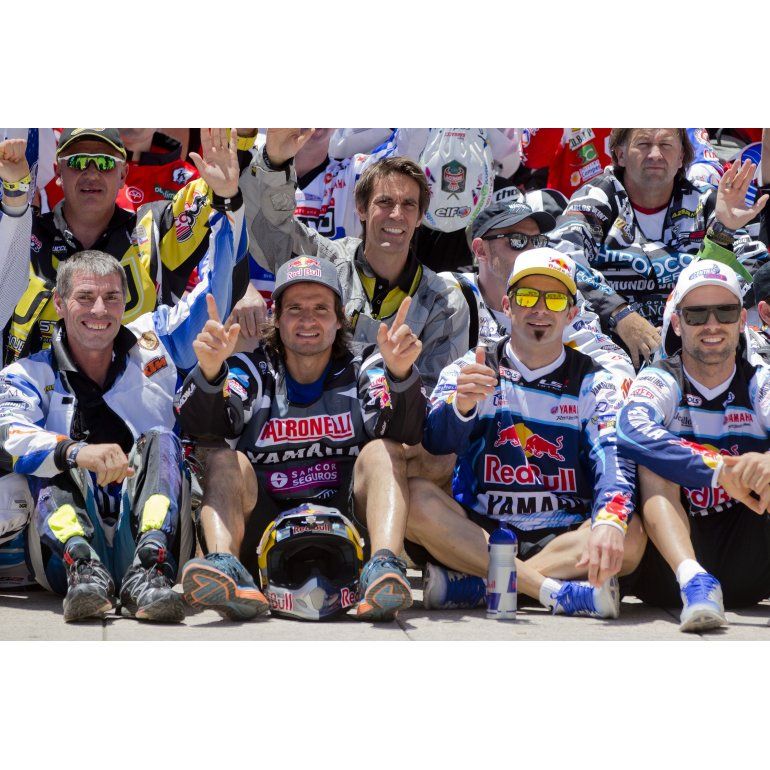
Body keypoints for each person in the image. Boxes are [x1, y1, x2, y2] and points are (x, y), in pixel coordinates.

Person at [0, 198, 243, 623]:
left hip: (158, 542)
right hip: (63, 556)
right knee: (47, 456)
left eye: (112, 297)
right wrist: (77, 451)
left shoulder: (156, 341)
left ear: (125, 302)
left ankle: (149, 568)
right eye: (85, 297)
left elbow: (213, 295)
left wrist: (231, 209)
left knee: (162, 438)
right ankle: (84, 569)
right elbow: (8, 431)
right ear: (59, 304)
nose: (99, 310)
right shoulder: (26, 372)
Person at [174, 255, 426, 622]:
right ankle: (225, 566)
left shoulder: (367, 364)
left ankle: (384, 567)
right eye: (294, 309)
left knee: (384, 450)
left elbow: (403, 431)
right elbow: (207, 428)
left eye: (320, 308)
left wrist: (400, 376)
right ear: (276, 318)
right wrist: (211, 373)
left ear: (339, 318)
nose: (308, 320)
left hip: (348, 521)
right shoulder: (251, 367)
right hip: (263, 524)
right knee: (225, 459)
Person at [406, 249, 644, 616]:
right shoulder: (474, 366)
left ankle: (482, 585)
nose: (540, 309)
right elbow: (436, 442)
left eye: (555, 299)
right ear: (507, 306)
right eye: (528, 297)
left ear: (572, 313)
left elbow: (612, 461)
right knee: (413, 498)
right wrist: (461, 407)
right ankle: (552, 591)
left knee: (631, 534)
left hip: (564, 533)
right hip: (482, 531)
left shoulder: (596, 381)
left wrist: (610, 522)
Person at [239, 128, 469, 391]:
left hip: (392, 416)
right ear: (361, 209)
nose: (397, 214)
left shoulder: (445, 302)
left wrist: (399, 376)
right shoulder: (326, 262)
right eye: (384, 202)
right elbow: (269, 234)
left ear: (419, 218)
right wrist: (275, 164)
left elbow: (437, 398)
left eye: (408, 204)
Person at [0, 127, 249, 365]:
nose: (92, 173)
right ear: (58, 173)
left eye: (105, 163)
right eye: (78, 162)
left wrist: (226, 189)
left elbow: (215, 197)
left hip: (138, 391)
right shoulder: (26, 234)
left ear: (123, 175)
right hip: (30, 390)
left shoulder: (155, 230)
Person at [617, 259, 770, 632]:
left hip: (750, 555)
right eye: (697, 314)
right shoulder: (659, 377)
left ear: (742, 320)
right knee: (654, 459)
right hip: (670, 569)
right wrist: (718, 470)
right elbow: (630, 428)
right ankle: (696, 582)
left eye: (725, 312)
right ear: (676, 322)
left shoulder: (760, 378)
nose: (712, 325)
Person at [550, 129, 769, 368]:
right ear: (620, 154)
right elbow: (560, 257)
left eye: (666, 145)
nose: (655, 154)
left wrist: (723, 232)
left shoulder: (708, 200)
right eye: (643, 144)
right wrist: (619, 314)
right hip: (610, 343)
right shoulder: (598, 196)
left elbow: (754, 265)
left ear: (681, 157)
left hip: (695, 333)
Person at [446, 200, 634, 379]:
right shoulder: (451, 292)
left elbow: (610, 361)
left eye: (537, 241)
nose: (531, 251)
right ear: (480, 250)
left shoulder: (560, 298)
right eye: (517, 240)